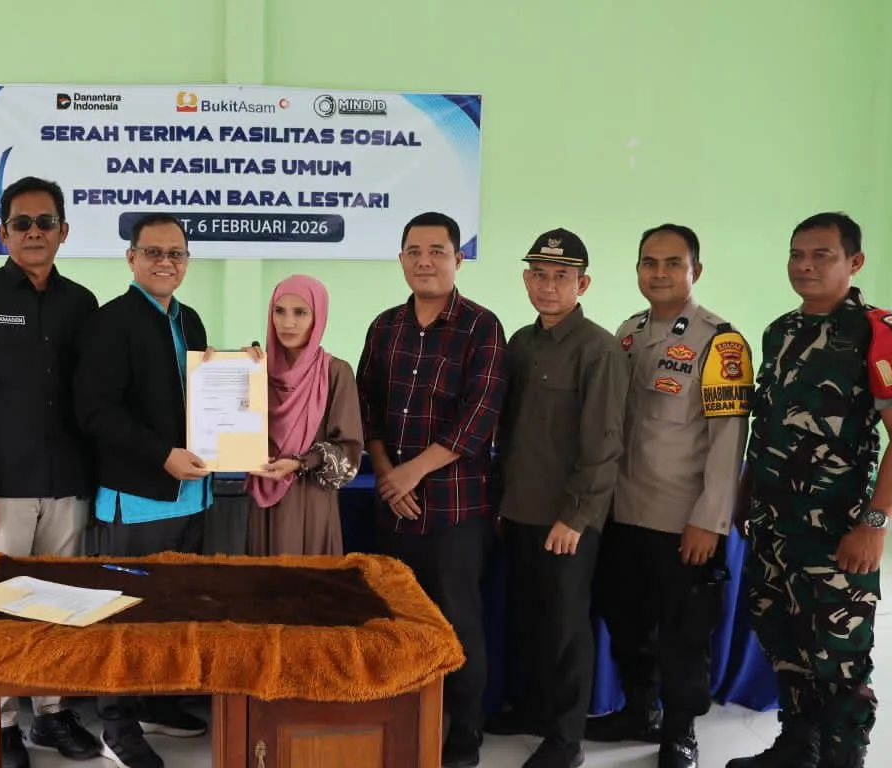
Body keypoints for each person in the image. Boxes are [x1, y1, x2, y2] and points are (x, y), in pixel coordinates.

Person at [727, 213, 892, 768]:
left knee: (839, 660)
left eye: (822, 254)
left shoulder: (879, 331)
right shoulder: (780, 332)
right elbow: (767, 426)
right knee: (783, 641)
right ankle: (798, 746)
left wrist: (876, 525)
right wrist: (745, 495)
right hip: (773, 524)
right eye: (797, 254)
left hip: (837, 531)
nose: (806, 265)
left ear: (854, 262)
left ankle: (843, 758)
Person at [0, 176, 101, 765]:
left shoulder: (81, 303)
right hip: (0, 487)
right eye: (21, 223)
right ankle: (4, 719)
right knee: (2, 604)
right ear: (3, 232)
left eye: (45, 222)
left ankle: (51, 714)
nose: (34, 232)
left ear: (64, 231)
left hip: (68, 482)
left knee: (58, 602)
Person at [589, 224, 753, 768]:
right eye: (649, 262)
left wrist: (711, 519)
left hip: (682, 518)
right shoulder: (628, 332)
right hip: (623, 510)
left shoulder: (720, 342)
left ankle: (680, 730)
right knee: (626, 618)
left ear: (694, 271)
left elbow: (729, 440)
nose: (658, 273)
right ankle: (640, 711)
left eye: (672, 263)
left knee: (684, 632)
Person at [355, 211, 508, 768]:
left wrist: (411, 473)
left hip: (455, 510)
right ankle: (403, 723)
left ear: (458, 259)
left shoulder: (482, 327)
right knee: (397, 622)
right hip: (394, 506)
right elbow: (366, 407)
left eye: (437, 251)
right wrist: (386, 473)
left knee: (458, 624)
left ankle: (464, 736)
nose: (425, 261)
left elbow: (479, 417)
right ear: (400, 258)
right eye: (414, 251)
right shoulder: (384, 327)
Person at [73, 213, 213, 768]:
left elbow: (204, 399)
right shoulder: (109, 323)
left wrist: (241, 379)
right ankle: (117, 724)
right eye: (153, 252)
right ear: (131, 258)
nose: (165, 262)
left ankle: (156, 703)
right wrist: (161, 455)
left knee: (172, 609)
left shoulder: (190, 321)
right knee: (124, 615)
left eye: (176, 253)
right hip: (135, 500)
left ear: (187, 261)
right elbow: (95, 412)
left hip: (192, 496)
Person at [488, 228, 628, 768]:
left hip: (566, 519)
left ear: (582, 284)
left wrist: (577, 515)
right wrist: (502, 503)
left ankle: (567, 740)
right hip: (520, 509)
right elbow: (511, 433)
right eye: (539, 275)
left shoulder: (598, 349)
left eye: (562, 277)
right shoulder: (521, 343)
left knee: (566, 628)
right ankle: (534, 709)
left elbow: (604, 443)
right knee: (529, 617)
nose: (548, 286)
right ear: (527, 279)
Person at [246, 275, 363, 556]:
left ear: (318, 317)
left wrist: (300, 463)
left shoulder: (336, 372)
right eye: (279, 311)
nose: (288, 323)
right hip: (263, 502)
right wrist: (229, 367)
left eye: (300, 312)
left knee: (308, 579)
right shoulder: (256, 370)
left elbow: (348, 452)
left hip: (311, 500)